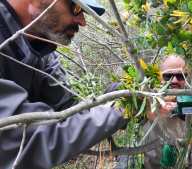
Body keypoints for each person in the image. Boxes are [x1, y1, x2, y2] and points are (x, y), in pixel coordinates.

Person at [0, 0, 127, 168]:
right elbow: (26, 139)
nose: (83, 22)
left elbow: (69, 112)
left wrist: (116, 97)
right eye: (76, 8)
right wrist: (122, 111)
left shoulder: (41, 50)